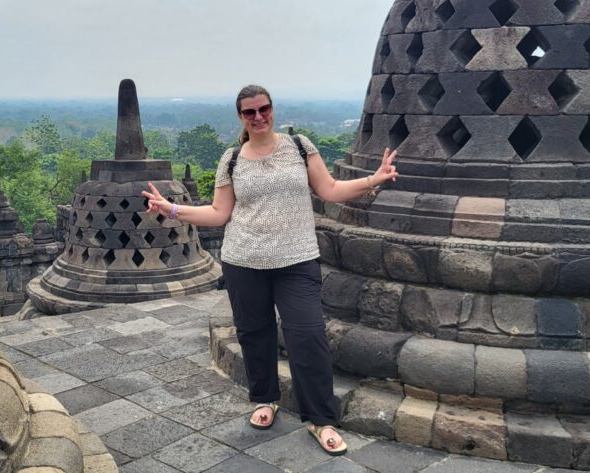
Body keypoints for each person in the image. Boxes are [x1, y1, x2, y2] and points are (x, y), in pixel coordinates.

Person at [141, 84, 398, 455]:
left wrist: (374, 179)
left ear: (272, 109)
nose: (259, 117)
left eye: (264, 109)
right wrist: (172, 210)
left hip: (297, 260)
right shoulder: (231, 159)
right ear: (241, 117)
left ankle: (321, 419)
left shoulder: (299, 147)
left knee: (307, 335)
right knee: (254, 333)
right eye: (250, 112)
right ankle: (265, 398)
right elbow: (219, 213)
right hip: (244, 261)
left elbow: (329, 189)